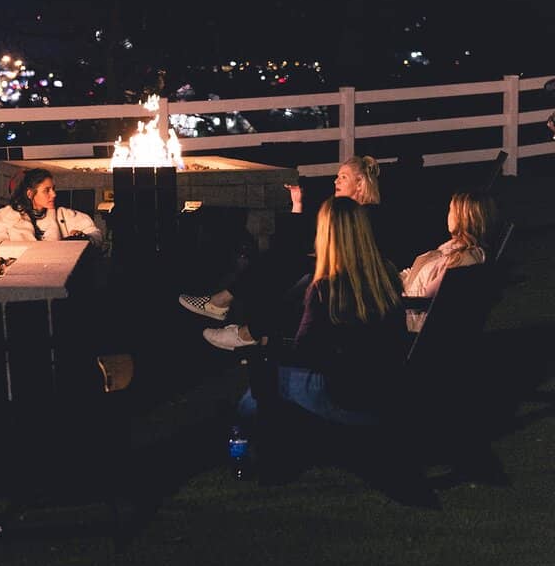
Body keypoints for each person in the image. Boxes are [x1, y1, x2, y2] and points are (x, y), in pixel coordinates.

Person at [182, 155, 389, 350]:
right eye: (337, 176)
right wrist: (297, 204)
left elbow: (356, 257)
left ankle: (242, 325)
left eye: (343, 177)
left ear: (360, 183)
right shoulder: (335, 210)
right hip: (327, 269)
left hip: (347, 277)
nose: (336, 181)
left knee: (289, 268)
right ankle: (242, 325)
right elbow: (301, 241)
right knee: (281, 259)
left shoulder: (367, 215)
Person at [234, 196, 407, 427]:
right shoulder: (387, 276)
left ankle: (244, 440)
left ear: (326, 235)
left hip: (345, 397)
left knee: (259, 387)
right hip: (386, 393)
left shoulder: (326, 289)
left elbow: (304, 352)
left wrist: (273, 347)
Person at [401, 190, 498, 331]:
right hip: (408, 296)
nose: (448, 215)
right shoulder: (454, 250)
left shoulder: (464, 260)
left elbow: (424, 296)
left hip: (417, 321)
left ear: (463, 217)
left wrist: (393, 293)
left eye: (451, 210)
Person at [0, 168, 103, 248]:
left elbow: (95, 234)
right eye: (47, 190)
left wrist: (85, 237)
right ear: (30, 194)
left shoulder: (63, 215)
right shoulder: (5, 217)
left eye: (53, 189)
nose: (54, 194)